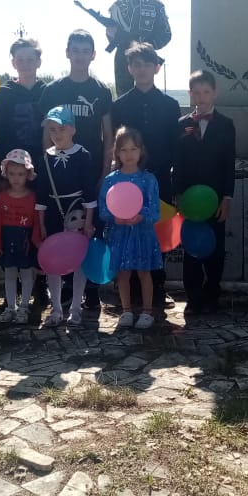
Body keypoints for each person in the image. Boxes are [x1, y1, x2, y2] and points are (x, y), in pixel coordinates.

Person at [39, 30, 114, 313]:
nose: (80, 56)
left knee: (91, 231)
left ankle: (92, 291)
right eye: (76, 50)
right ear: (67, 52)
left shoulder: (101, 91)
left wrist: (104, 173)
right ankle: (68, 290)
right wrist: (48, 167)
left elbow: (108, 136)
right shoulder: (53, 90)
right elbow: (46, 133)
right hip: (60, 178)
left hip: (90, 175)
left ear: (93, 55)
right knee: (62, 231)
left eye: (85, 51)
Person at [109, 42, 180, 309]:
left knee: (158, 232)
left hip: (160, 178)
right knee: (129, 232)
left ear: (156, 67)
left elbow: (175, 146)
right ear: (129, 68)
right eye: (136, 64)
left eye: (147, 64)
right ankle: (130, 291)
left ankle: (157, 288)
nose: (142, 69)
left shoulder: (171, 105)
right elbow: (115, 146)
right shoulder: (119, 106)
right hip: (128, 180)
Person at [173, 70, 236, 317]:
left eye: (206, 92)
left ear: (215, 92)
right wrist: (178, 194)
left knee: (215, 249)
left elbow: (229, 164)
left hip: (215, 199)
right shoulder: (181, 124)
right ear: (190, 94)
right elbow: (177, 162)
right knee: (191, 249)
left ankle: (212, 295)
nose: (201, 97)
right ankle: (193, 297)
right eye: (196, 92)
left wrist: (227, 198)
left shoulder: (226, 124)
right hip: (190, 200)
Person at [36, 107, 97, 327]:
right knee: (53, 261)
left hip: (76, 211)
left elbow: (89, 191)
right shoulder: (46, 157)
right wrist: (41, 224)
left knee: (79, 260)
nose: (57, 134)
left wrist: (88, 222)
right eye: (52, 130)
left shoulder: (83, 155)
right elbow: (41, 194)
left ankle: (76, 308)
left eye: (61, 128)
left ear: (73, 129)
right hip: (53, 213)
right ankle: (56, 309)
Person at [99, 127, 162, 329]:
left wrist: (141, 216)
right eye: (124, 150)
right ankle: (126, 310)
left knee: (144, 272)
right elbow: (103, 208)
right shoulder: (111, 180)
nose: (129, 154)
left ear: (141, 151)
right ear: (116, 153)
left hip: (142, 233)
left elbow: (155, 210)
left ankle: (147, 311)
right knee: (123, 273)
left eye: (133, 149)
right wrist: (114, 218)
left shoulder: (148, 179)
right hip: (120, 233)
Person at [107, 0, 172, 96]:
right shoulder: (117, 7)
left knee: (146, 93)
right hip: (123, 57)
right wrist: (110, 35)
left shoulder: (156, 6)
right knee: (123, 97)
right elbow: (113, 36)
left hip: (146, 57)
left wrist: (146, 46)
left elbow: (166, 34)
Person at [0, 149, 40, 324]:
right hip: (7, 240)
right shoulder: (1, 197)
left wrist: (37, 243)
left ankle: (24, 307)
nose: (16, 178)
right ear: (6, 174)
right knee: (10, 275)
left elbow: (36, 222)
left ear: (28, 174)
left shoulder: (33, 197)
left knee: (27, 275)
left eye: (20, 174)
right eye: (12, 174)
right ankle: (10, 307)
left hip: (25, 242)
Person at [0, 38, 47, 168]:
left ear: (38, 62)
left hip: (42, 164)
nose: (25, 64)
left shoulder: (47, 92)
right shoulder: (5, 93)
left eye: (30, 60)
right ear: (13, 63)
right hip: (12, 167)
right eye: (20, 60)